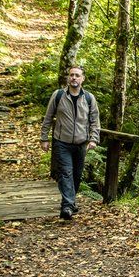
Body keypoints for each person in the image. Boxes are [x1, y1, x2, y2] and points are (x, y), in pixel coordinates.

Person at [40, 66, 101, 220]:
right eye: (72, 75)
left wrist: (93, 139)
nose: (74, 78)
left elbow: (95, 121)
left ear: (82, 78)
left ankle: (70, 203)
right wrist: (44, 138)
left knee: (76, 175)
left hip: (81, 143)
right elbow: (48, 118)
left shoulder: (88, 98)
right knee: (66, 172)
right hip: (62, 142)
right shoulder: (59, 95)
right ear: (68, 78)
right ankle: (67, 206)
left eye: (77, 75)